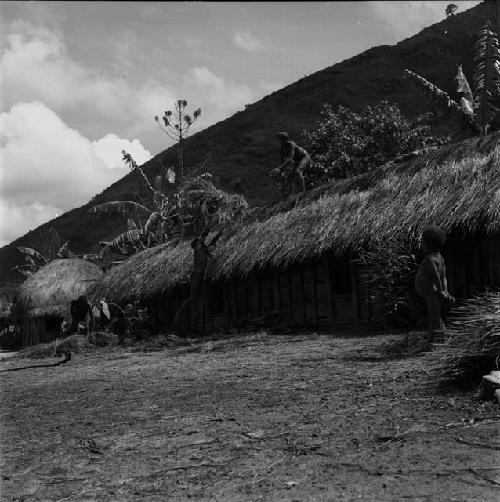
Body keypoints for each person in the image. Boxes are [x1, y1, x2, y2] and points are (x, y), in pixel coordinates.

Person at [174, 228, 223, 334]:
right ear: (196, 244)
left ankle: (208, 321)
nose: (201, 242)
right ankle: (179, 316)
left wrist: (218, 235)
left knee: (204, 297)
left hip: (201, 276)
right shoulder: (197, 250)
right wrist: (209, 231)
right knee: (192, 298)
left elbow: (211, 251)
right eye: (199, 242)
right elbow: (203, 237)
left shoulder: (203, 251)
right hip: (196, 276)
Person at [414, 226, 455, 342]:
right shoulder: (440, 258)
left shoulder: (429, 259)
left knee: (435, 317)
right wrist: (445, 291)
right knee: (435, 316)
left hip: (432, 291)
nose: (422, 245)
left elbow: (436, 275)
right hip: (434, 291)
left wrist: (442, 291)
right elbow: (443, 276)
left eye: (423, 242)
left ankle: (441, 340)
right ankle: (434, 339)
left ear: (429, 244)